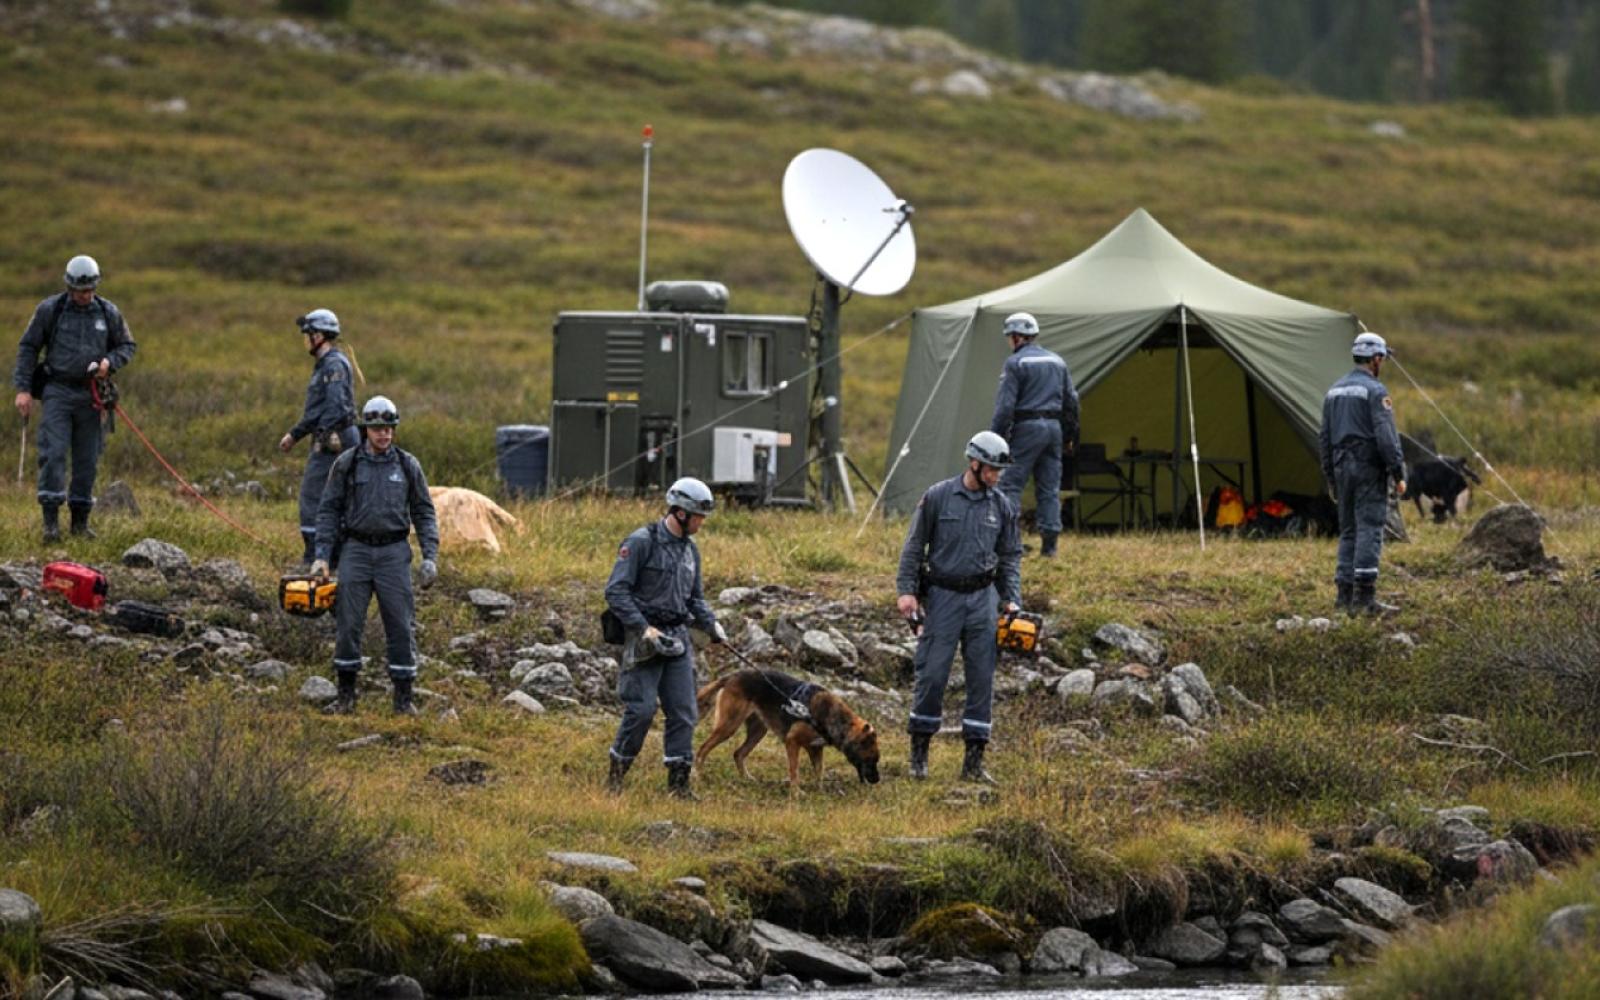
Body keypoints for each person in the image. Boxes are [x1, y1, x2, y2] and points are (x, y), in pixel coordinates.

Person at [895, 430, 1023, 784]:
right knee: (932, 675)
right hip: (942, 598)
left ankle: (974, 763)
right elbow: (913, 546)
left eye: (1000, 470)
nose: (997, 476)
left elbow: (1011, 556)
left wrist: (1011, 598)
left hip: (984, 601)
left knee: (981, 679)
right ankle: (919, 756)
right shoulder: (937, 497)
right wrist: (907, 591)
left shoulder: (1003, 506)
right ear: (975, 462)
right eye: (993, 469)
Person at [311, 395, 440, 715]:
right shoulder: (347, 463)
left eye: (389, 428)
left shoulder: (408, 465)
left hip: (394, 553)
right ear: (366, 428)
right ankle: (345, 697)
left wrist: (430, 556)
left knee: (400, 624)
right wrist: (322, 555)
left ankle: (403, 700)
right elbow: (328, 510)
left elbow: (424, 512)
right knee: (348, 622)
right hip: (355, 550)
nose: (384, 434)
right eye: (377, 428)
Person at [603, 477, 728, 799]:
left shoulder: (691, 551)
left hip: (678, 639)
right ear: (681, 513)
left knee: (684, 712)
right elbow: (616, 591)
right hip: (644, 639)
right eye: (699, 516)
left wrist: (712, 625)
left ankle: (678, 786)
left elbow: (695, 597)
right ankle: (615, 777)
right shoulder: (641, 542)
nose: (702, 523)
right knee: (641, 710)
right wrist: (644, 628)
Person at [12, 255, 136, 542]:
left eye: (90, 289)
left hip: (91, 396)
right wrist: (23, 389)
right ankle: (50, 524)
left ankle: (80, 523)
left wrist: (110, 362)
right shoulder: (50, 310)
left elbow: (127, 345)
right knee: (53, 454)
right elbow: (28, 347)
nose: (85, 295)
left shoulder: (108, 313)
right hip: (57, 390)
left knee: (87, 459)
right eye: (80, 290)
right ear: (69, 287)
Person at [1319, 332, 1406, 615]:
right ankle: (1365, 599)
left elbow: (1324, 437)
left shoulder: (1333, 391)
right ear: (1376, 358)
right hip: (1368, 467)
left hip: (1341, 466)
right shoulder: (1376, 391)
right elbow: (1385, 436)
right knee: (1369, 527)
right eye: (1383, 358)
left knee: (1348, 531)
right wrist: (1398, 470)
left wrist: (1330, 475)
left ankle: (1343, 598)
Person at [990, 312, 1078, 557]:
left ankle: (1012, 544)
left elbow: (1005, 407)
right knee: (1049, 488)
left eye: (1010, 337)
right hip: (1054, 430)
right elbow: (1072, 402)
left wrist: (995, 440)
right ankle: (1050, 547)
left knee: (1010, 486)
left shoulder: (1015, 363)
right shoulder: (1058, 362)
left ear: (1017, 337)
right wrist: (1070, 435)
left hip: (1027, 428)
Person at [279, 309, 359, 568]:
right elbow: (315, 410)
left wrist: (324, 436)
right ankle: (330, 553)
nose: (305, 340)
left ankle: (318, 554)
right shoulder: (325, 365)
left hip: (336, 439)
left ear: (320, 336)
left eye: (308, 334)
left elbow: (335, 406)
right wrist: (295, 434)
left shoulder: (334, 365)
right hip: (331, 436)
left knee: (314, 496)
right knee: (333, 495)